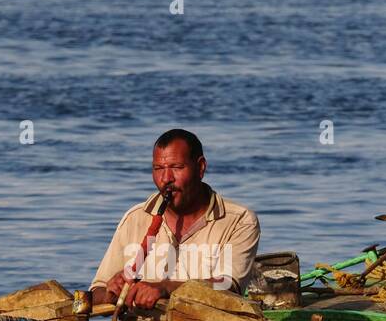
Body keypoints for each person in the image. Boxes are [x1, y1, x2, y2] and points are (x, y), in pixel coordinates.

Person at [89, 129, 260, 311]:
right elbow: (95, 294)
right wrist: (111, 292)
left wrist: (165, 288)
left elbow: (228, 287)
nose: (166, 179)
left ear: (200, 168)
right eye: (158, 169)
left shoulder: (239, 221)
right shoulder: (135, 218)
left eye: (177, 168)